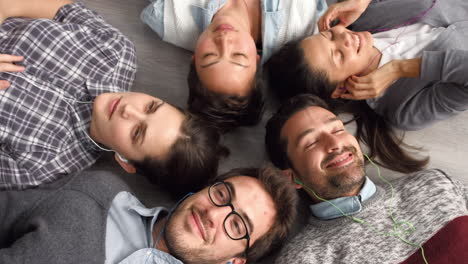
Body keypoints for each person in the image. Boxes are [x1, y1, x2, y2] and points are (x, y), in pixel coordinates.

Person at [0, 0, 227, 196]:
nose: (129, 110)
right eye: (150, 106)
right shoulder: (116, 51)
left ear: (125, 162)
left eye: (137, 132)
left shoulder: (42, 165)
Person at [265, 94, 468, 263]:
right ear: (291, 177)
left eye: (337, 129)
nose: (335, 143)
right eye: (311, 142)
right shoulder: (304, 258)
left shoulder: (432, 184)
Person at [265, 0, 468, 169]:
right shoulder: (405, 107)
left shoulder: (365, 16)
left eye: (328, 35)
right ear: (341, 89)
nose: (344, 37)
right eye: (337, 54)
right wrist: (401, 68)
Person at [0, 165, 298, 264]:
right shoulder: (99, 193)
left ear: (235, 261)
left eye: (236, 224)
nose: (214, 214)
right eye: (221, 195)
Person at [141, 0, 327, 131]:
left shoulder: (171, 16)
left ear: (194, 58)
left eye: (210, 55)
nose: (224, 41)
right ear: (256, 58)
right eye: (238, 55)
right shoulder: (301, 26)